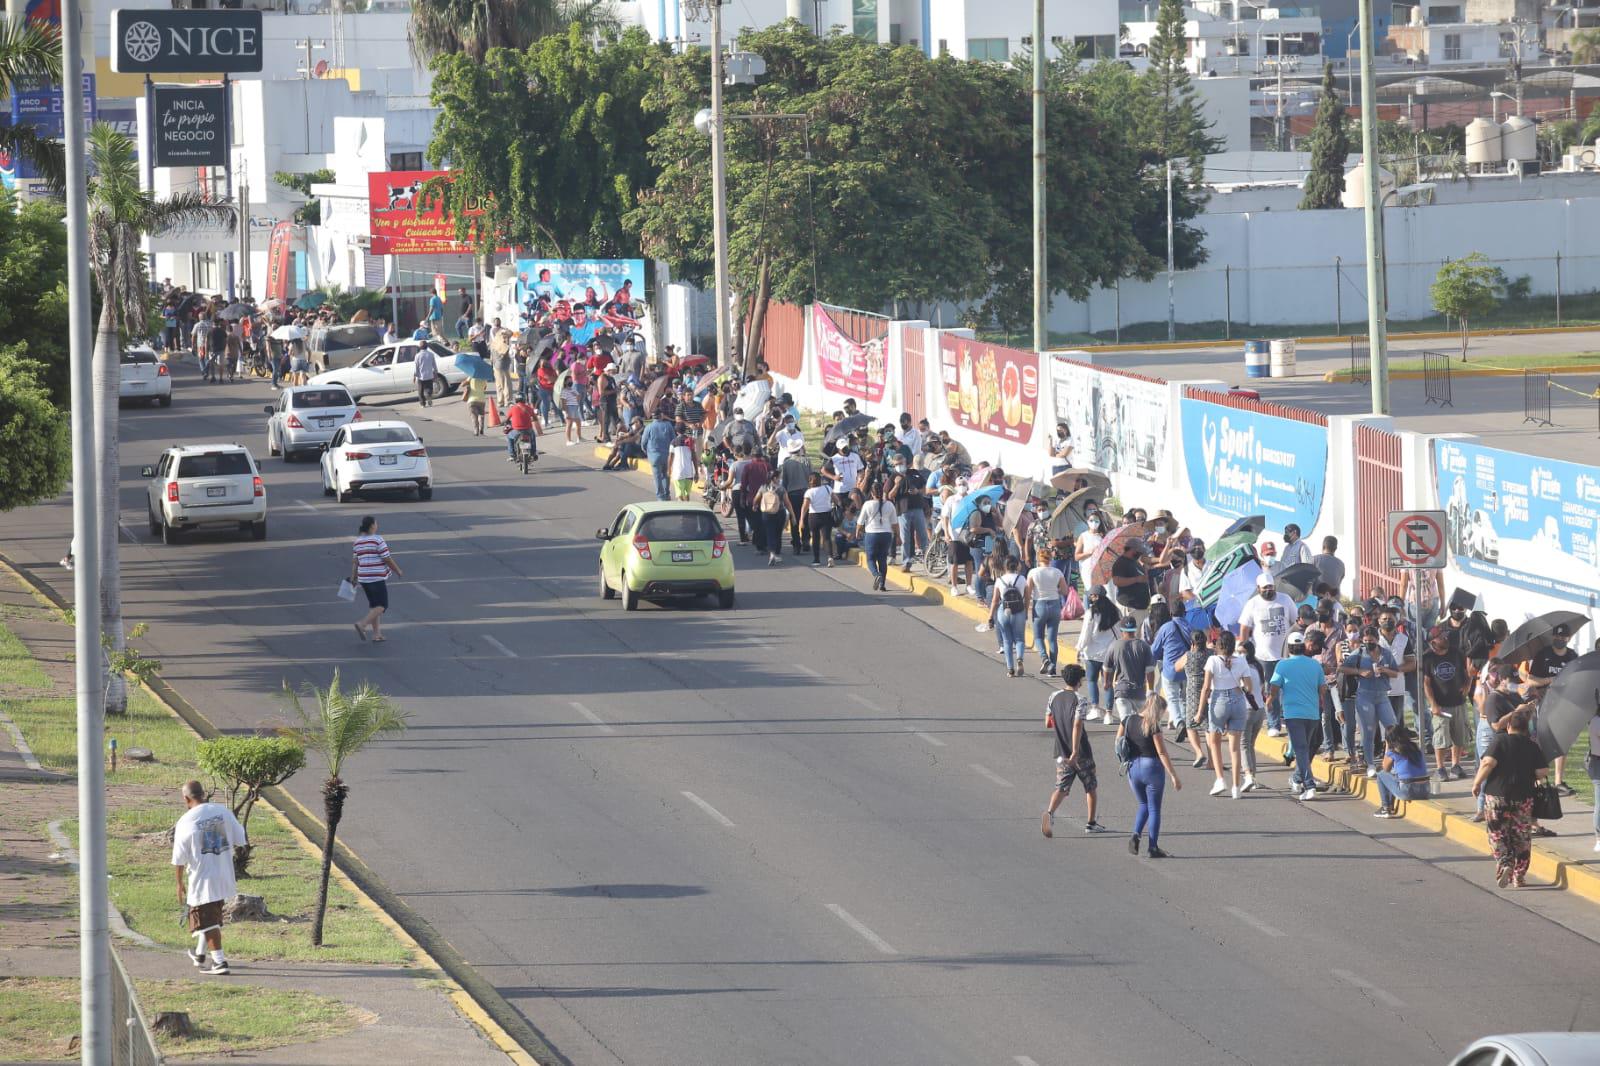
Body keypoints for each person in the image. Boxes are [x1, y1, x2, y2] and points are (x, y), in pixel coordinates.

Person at [172, 780, 247, 975]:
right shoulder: (222, 811)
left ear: (186, 798)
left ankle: (219, 962)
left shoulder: (185, 821)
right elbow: (241, 839)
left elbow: (179, 859)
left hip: (202, 878)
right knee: (209, 915)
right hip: (224, 875)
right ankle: (199, 954)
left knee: (206, 920)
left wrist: (179, 884)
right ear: (203, 794)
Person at [1471, 707, 1549, 887]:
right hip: (1523, 796)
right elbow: (1542, 771)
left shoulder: (1499, 740)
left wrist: (1476, 783)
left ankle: (1505, 862)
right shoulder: (1532, 745)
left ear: (1508, 727)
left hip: (1497, 795)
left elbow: (1488, 763)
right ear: (1525, 728)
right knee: (1521, 836)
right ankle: (1519, 876)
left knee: (1497, 833)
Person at [1042, 665, 1106, 837]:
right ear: (1079, 681)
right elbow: (1078, 724)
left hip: (1061, 751)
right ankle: (1091, 823)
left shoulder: (1053, 696)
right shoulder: (1080, 699)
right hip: (1080, 752)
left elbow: (1048, 722)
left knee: (1061, 787)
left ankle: (1049, 813)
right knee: (1090, 787)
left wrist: (1062, 723)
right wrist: (1076, 751)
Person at [1118, 694, 1182, 858]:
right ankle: (1153, 847)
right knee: (1154, 809)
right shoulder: (1153, 726)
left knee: (1143, 804)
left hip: (1133, 768)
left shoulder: (1128, 720)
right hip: (1151, 768)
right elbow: (1161, 752)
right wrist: (1174, 775)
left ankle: (1136, 835)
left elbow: (1118, 740)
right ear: (1159, 710)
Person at [1523, 622, 1579, 797]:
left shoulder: (1572, 656)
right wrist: (1549, 680)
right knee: (1542, 742)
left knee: (1562, 742)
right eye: (1557, 636)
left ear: (1568, 638)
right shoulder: (1543, 655)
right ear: (1553, 636)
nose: (1560, 639)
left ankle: (1558, 782)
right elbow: (1530, 680)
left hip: (1564, 704)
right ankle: (1540, 781)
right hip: (1544, 704)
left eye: (1563, 637)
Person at [1272, 630, 1328, 801]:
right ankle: (1299, 779)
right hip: (1312, 714)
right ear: (1303, 646)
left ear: (1289, 648)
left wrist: (1269, 700)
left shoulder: (1282, 665)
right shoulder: (1315, 665)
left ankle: (1309, 785)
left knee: (1302, 749)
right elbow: (1323, 688)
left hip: (1293, 714)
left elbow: (1274, 687)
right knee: (1305, 748)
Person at [1199, 630, 1254, 800]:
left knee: (1214, 743)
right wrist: (1240, 689)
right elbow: (1249, 687)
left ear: (1218, 645)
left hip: (1219, 700)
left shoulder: (1213, 660)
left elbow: (1206, 688)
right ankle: (1236, 787)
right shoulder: (1242, 661)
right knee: (1235, 748)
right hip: (1238, 701)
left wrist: (1200, 711)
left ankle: (1220, 779)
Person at [1237, 571, 1292, 737]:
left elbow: (1295, 621)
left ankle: (1286, 719)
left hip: (1284, 654)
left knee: (1286, 689)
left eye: (1271, 587)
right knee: (1269, 689)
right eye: (1265, 588)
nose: (1269, 590)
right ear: (1259, 588)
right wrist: (1243, 649)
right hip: (1263, 656)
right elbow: (1245, 628)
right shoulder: (1252, 604)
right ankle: (1273, 723)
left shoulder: (1285, 600)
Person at [1423, 625, 1472, 782]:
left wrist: (1467, 685)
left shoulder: (1456, 652)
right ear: (1433, 641)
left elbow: (1468, 672)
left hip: (1458, 702)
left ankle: (1456, 766)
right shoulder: (1427, 657)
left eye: (1445, 635)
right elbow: (1426, 683)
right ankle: (1440, 768)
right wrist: (1433, 704)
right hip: (1440, 705)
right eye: (1441, 636)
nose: (1445, 638)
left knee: (1459, 736)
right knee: (1441, 737)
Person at [352, 516, 402, 642]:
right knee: (382, 605)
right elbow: (387, 558)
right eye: (376, 523)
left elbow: (355, 562)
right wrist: (398, 570)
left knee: (374, 605)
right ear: (372, 526)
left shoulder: (357, 542)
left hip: (363, 578)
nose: (377, 525)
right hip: (376, 577)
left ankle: (376, 634)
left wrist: (354, 578)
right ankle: (362, 624)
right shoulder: (377, 539)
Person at [1075, 587, 1120, 720]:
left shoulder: (1091, 613)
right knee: (1108, 683)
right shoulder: (1115, 611)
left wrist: (1079, 648)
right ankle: (1109, 714)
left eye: (1091, 596)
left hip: (1093, 653)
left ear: (1095, 596)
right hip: (1110, 653)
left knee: (1092, 680)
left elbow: (1085, 634)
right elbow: (1119, 632)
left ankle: (1095, 708)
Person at [1026, 547, 1069, 676]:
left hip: (1039, 605)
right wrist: (1056, 590)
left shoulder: (1033, 572)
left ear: (1038, 558)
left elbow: (1028, 592)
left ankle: (1045, 659)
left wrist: (1026, 606)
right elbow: (1065, 591)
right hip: (1055, 604)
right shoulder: (1057, 572)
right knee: (1052, 639)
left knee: (1038, 636)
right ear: (1050, 558)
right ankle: (1053, 667)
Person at [1103, 616, 1155, 724]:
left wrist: (1106, 682)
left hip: (1122, 692)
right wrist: (1150, 689)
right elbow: (1150, 671)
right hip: (1139, 692)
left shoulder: (1114, 645)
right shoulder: (1144, 646)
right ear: (1135, 629)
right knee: (1140, 724)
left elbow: (1107, 668)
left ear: (1121, 630)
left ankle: (1122, 740)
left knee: (1126, 722)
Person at [1374, 724, 1433, 818]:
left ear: (1389, 739)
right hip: (1425, 790)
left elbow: (1385, 768)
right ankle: (1390, 806)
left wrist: (1387, 747)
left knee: (1380, 774)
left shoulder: (1393, 751)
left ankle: (1386, 808)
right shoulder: (1415, 748)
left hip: (1408, 791)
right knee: (1396, 776)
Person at [988, 557, 1029, 677]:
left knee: (1007, 641)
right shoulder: (1022, 579)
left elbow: (995, 601)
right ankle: (1020, 659)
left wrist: (990, 616)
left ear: (1005, 567)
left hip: (1004, 611)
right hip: (1019, 610)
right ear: (1017, 566)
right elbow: (1027, 598)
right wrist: (1025, 611)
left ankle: (1010, 669)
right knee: (1020, 639)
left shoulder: (1000, 580)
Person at [859, 482, 898, 590]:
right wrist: (898, 536)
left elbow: (860, 522)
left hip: (872, 534)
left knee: (870, 559)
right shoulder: (890, 505)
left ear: (872, 493)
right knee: (882, 559)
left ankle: (877, 575)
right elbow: (895, 523)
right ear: (883, 492)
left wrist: (857, 532)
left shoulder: (867, 504)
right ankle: (882, 585)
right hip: (886, 535)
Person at [755, 467, 795, 567]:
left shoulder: (763, 487)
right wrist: (793, 515)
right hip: (779, 512)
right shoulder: (781, 489)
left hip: (766, 513)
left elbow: (756, 498)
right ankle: (776, 554)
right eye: (778, 477)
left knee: (769, 533)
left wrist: (754, 505)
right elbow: (787, 503)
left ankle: (772, 553)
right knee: (778, 534)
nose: (779, 479)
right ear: (775, 478)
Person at [1110, 539, 1152, 630]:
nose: (1140, 555)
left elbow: (1144, 579)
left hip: (1140, 607)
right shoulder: (1121, 563)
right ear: (1132, 550)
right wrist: (1136, 579)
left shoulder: (1135, 562)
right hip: (1130, 606)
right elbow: (1117, 581)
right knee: (1131, 637)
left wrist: (1145, 571)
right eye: (1139, 552)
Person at [799, 474, 836, 567]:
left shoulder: (809, 492)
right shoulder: (827, 488)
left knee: (815, 538)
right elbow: (836, 499)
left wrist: (801, 519)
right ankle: (830, 557)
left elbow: (805, 506)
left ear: (810, 481)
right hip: (827, 515)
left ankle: (816, 559)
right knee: (827, 538)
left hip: (814, 516)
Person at [503, 396, 539, 463]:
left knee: (509, 436)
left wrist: (505, 422)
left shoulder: (513, 408)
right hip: (528, 430)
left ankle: (512, 455)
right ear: (524, 400)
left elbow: (507, 419)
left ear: (516, 400)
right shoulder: (529, 408)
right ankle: (533, 454)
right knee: (533, 437)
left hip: (517, 431)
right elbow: (535, 418)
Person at [668, 428, 700, 501]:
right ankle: (687, 509)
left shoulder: (673, 442)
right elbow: (694, 458)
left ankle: (682, 510)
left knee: (680, 495)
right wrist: (696, 473)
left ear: (677, 432)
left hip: (678, 473)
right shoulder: (690, 442)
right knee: (687, 494)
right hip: (689, 473)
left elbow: (670, 457)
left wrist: (669, 469)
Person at [412, 341, 439, 407]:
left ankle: (422, 404)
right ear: (427, 347)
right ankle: (429, 397)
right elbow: (434, 365)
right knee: (429, 388)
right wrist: (436, 373)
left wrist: (414, 376)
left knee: (420, 391)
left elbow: (416, 367)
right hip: (429, 375)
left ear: (420, 347)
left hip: (421, 376)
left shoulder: (417, 355)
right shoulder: (431, 354)